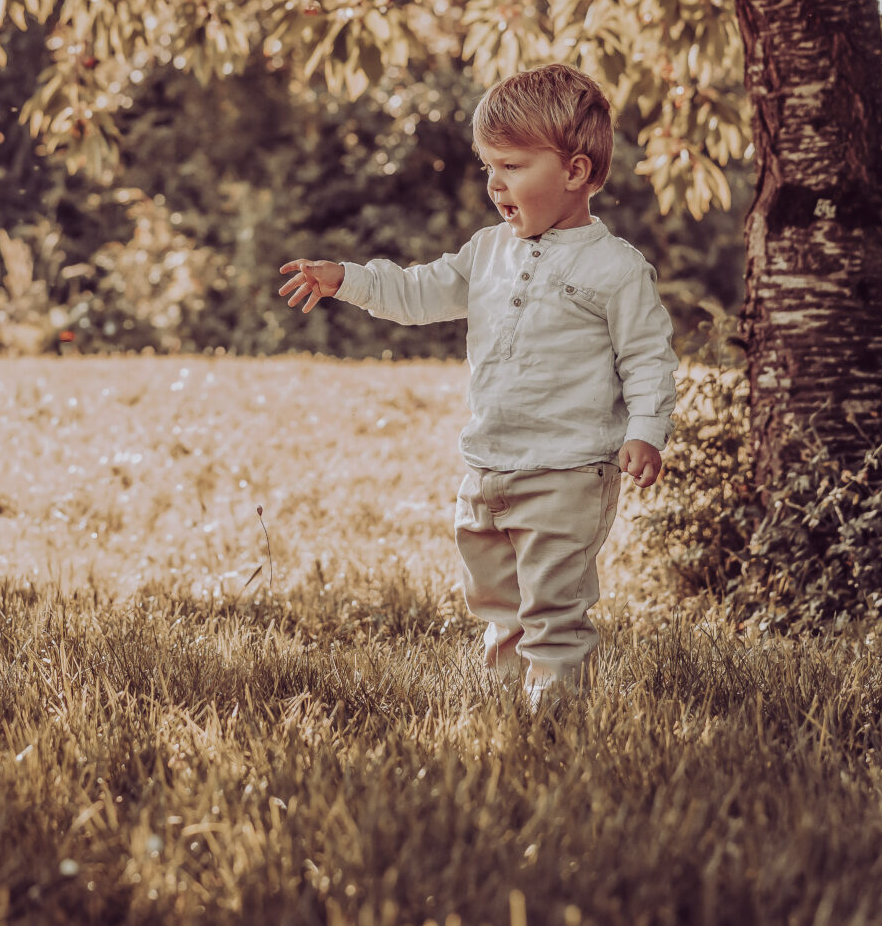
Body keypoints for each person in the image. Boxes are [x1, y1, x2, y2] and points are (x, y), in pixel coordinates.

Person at [278, 64, 678, 705]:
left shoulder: (616, 269)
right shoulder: (487, 251)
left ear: (576, 172)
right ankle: (503, 704)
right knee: (498, 602)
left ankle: (557, 711)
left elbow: (649, 359)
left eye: (513, 167)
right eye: (489, 167)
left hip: (569, 470)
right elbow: (414, 291)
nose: (496, 184)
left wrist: (646, 432)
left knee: (552, 605)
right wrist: (345, 278)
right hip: (488, 467)